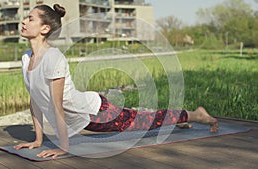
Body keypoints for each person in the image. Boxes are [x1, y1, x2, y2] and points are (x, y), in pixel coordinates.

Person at [13, 4, 218, 159]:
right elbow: (35, 101)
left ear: (45, 28)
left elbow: (57, 106)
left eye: (30, 19)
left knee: (147, 121)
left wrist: (62, 147)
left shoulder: (53, 58)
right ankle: (184, 117)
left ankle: (195, 115)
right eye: (26, 18)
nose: (24, 21)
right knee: (141, 116)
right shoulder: (26, 57)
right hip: (87, 116)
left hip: (96, 112)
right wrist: (38, 140)